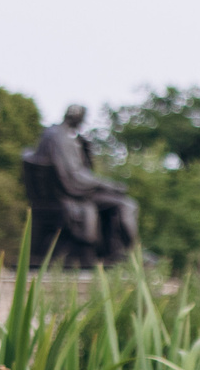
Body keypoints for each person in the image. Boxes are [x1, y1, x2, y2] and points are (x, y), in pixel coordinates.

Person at [20, 105, 140, 267]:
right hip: (68, 193)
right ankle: (127, 253)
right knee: (126, 204)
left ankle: (120, 253)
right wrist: (107, 185)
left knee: (121, 202)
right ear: (78, 118)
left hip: (71, 191)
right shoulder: (59, 137)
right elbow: (72, 176)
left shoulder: (60, 136)